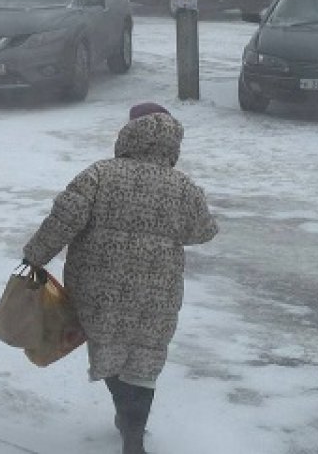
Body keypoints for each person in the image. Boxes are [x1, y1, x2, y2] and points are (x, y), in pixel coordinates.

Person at [22, 103, 218, 454]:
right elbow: (204, 231)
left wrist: (35, 256)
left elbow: (62, 220)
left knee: (109, 345)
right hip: (156, 293)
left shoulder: (98, 175)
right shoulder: (183, 187)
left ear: (128, 134)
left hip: (98, 290)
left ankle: (124, 413)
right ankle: (133, 434)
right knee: (145, 356)